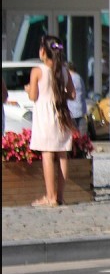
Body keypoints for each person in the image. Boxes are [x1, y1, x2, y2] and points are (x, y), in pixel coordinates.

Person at [25, 34, 76, 207]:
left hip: (45, 117)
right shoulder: (64, 70)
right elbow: (73, 94)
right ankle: (60, 196)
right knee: (62, 155)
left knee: (47, 155)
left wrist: (28, 89)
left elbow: (33, 96)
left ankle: (50, 196)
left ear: (44, 52)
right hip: (61, 115)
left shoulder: (37, 71)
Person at [65, 61, 88, 134]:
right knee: (81, 135)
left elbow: (69, 92)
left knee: (74, 135)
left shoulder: (72, 78)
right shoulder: (79, 77)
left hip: (73, 111)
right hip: (80, 110)